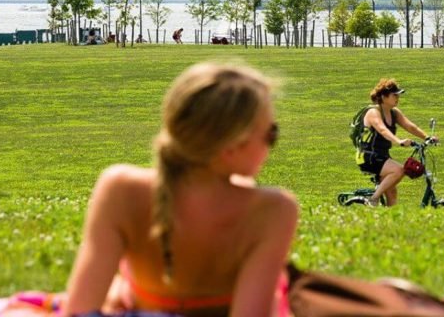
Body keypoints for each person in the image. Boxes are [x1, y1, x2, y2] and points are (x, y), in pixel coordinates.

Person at [63, 63, 298, 317]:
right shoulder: (270, 210)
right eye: (270, 134)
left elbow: (79, 311)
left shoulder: (120, 188)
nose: (271, 145)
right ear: (232, 146)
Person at [356, 78, 437, 207]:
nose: (397, 98)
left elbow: (410, 127)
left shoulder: (394, 112)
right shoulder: (373, 112)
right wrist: (398, 141)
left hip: (382, 156)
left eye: (398, 95)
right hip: (368, 156)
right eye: (394, 95)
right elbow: (382, 129)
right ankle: (373, 199)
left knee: (392, 193)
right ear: (383, 97)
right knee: (399, 170)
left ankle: (389, 218)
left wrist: (427, 137)